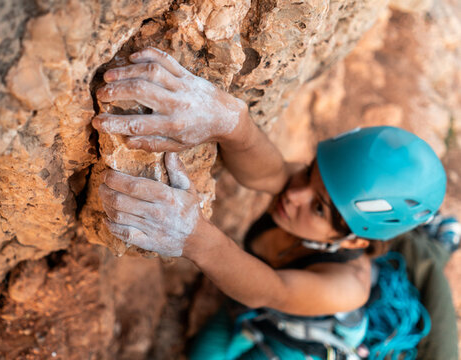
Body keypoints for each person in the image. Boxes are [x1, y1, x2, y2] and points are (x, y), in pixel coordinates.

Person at [92, 47, 456, 359]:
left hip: (298, 340)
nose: (294, 194)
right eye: (310, 172)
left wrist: (194, 237)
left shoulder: (347, 285)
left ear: (356, 241)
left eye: (318, 208)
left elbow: (270, 289)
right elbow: (271, 173)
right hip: (253, 299)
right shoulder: (312, 191)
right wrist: (232, 123)